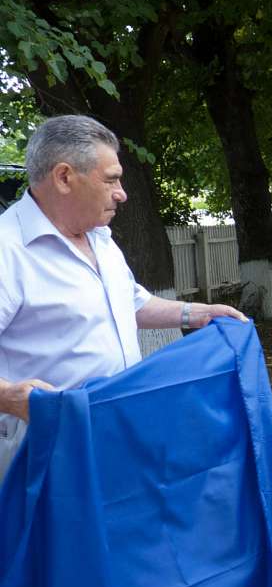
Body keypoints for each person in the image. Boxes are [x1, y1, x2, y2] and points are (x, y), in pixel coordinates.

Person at [0, 115, 247, 477]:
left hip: (112, 435)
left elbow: (128, 302)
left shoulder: (99, 237)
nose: (122, 193)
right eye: (111, 179)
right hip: (42, 449)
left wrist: (195, 313)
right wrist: (8, 396)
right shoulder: (8, 250)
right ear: (64, 177)